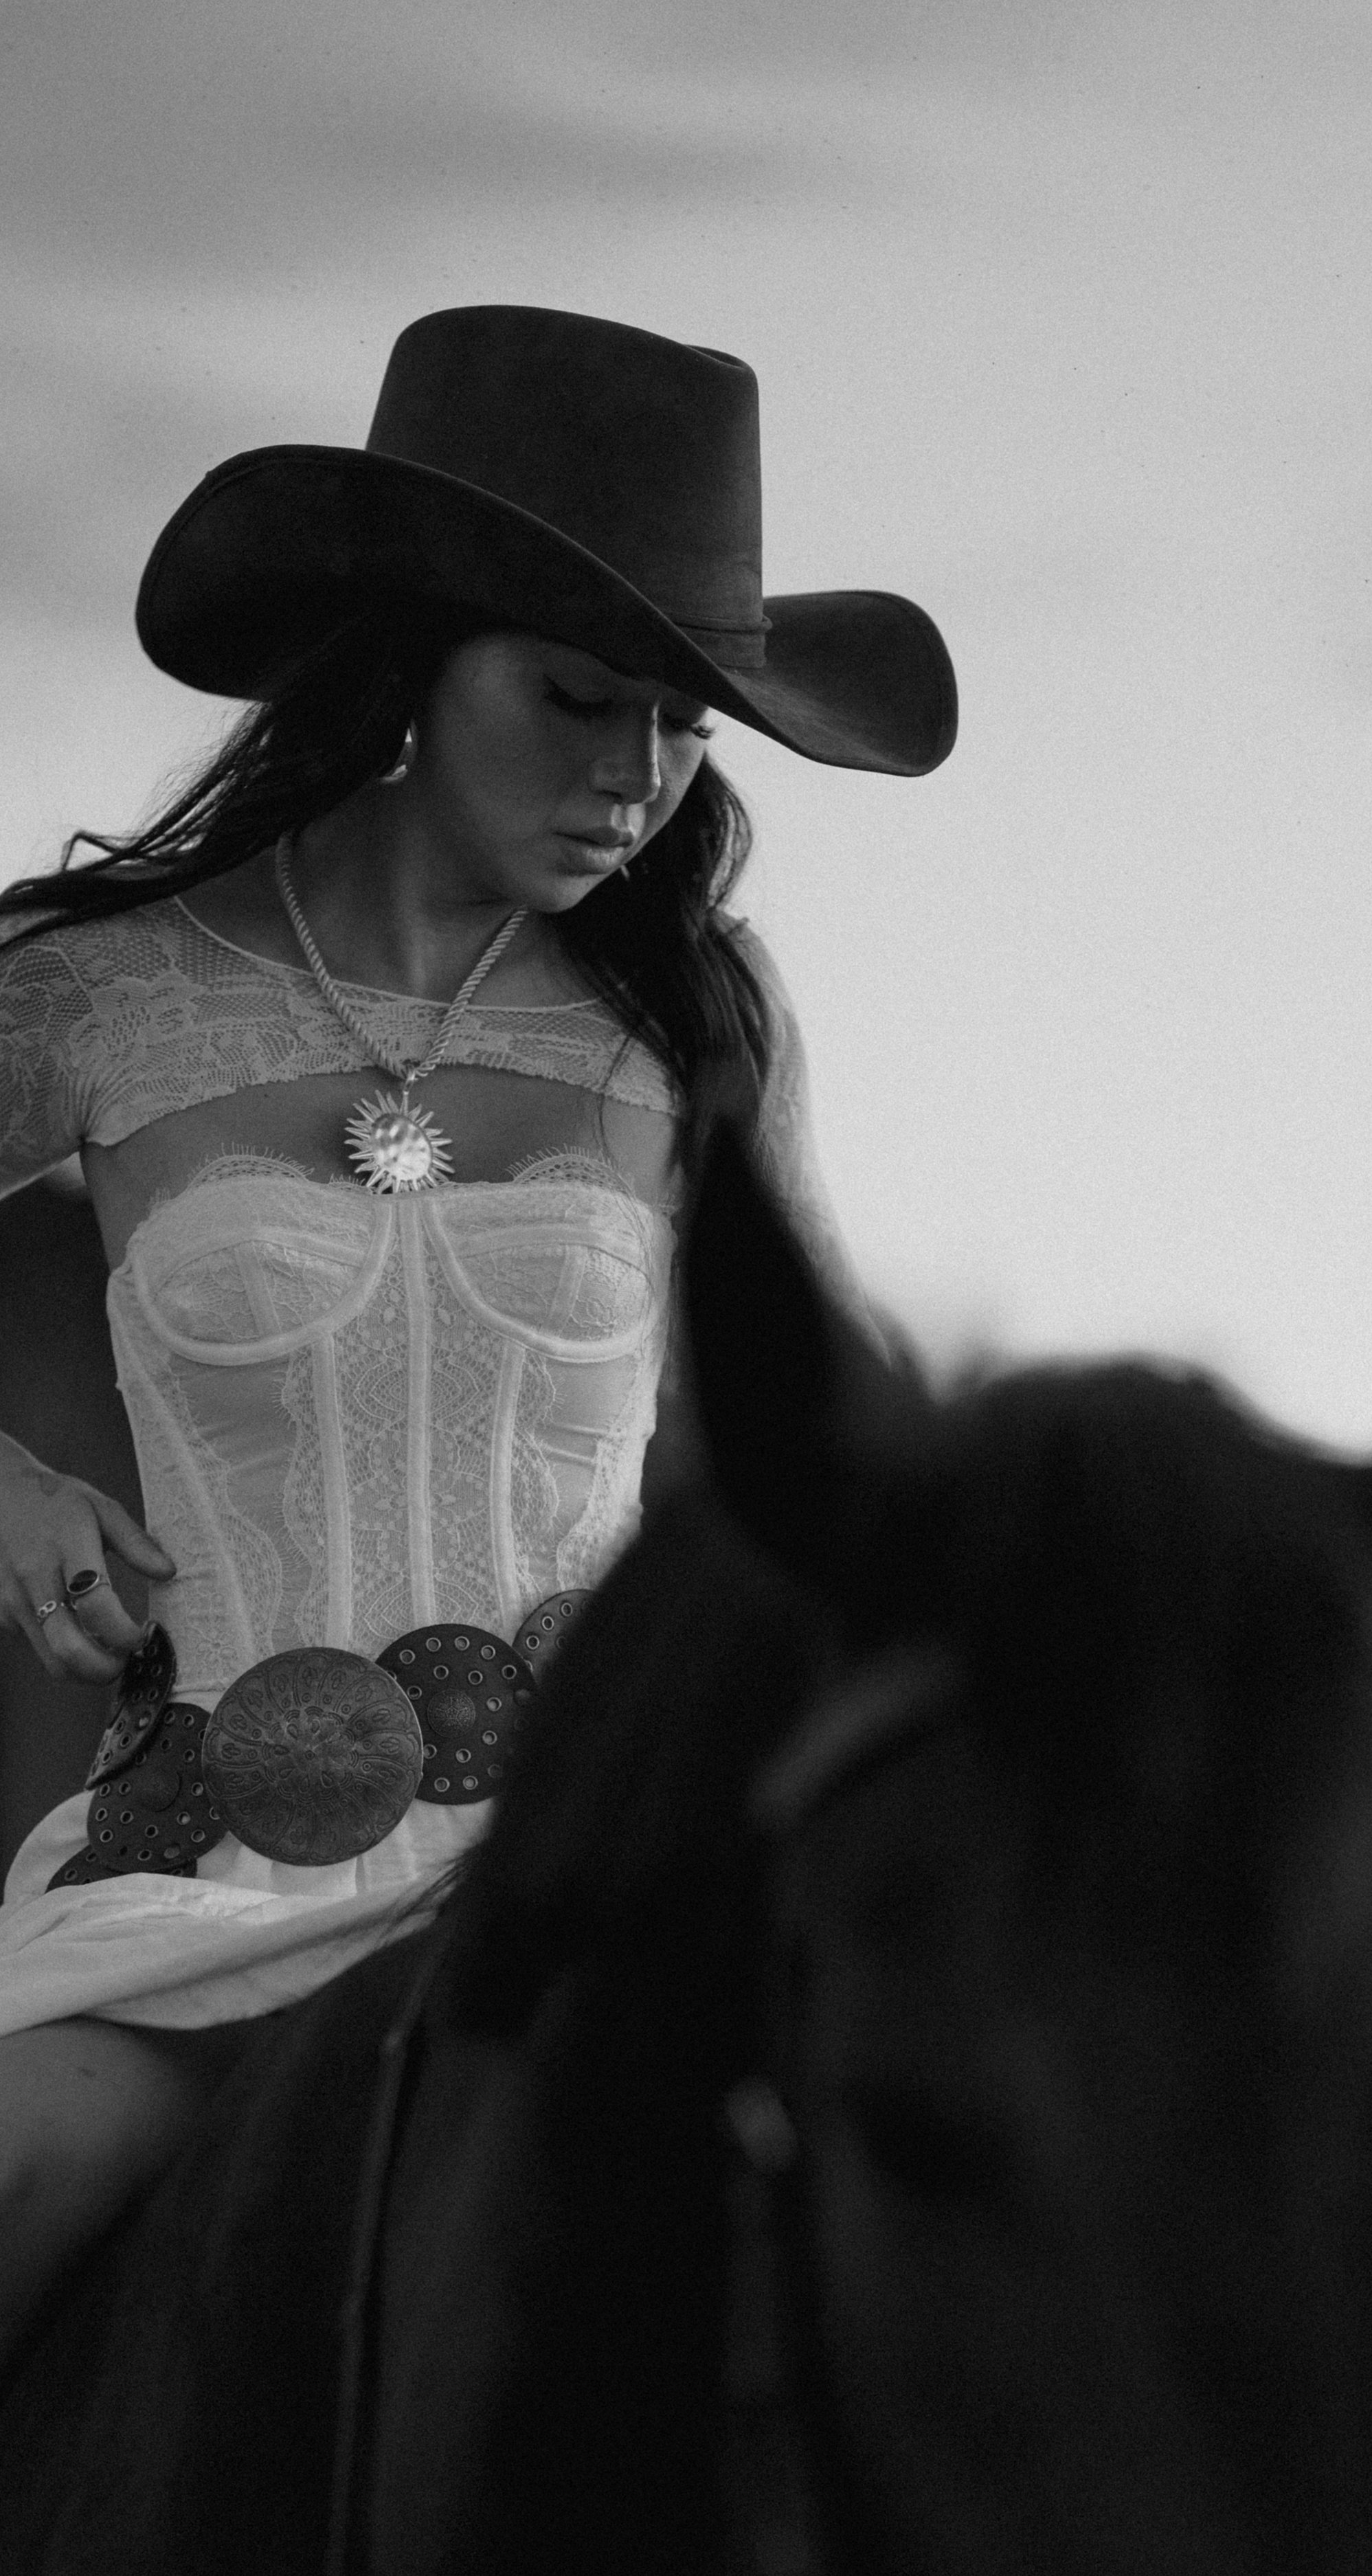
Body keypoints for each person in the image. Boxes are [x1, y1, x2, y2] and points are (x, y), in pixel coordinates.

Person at [0, 304, 956, 2362]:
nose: (639, 775)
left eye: (687, 725)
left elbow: (797, 1442)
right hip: (199, 1881)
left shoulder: (698, 1012)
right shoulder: (84, 993)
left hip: (607, 1875)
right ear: (410, 661)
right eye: (581, 698)